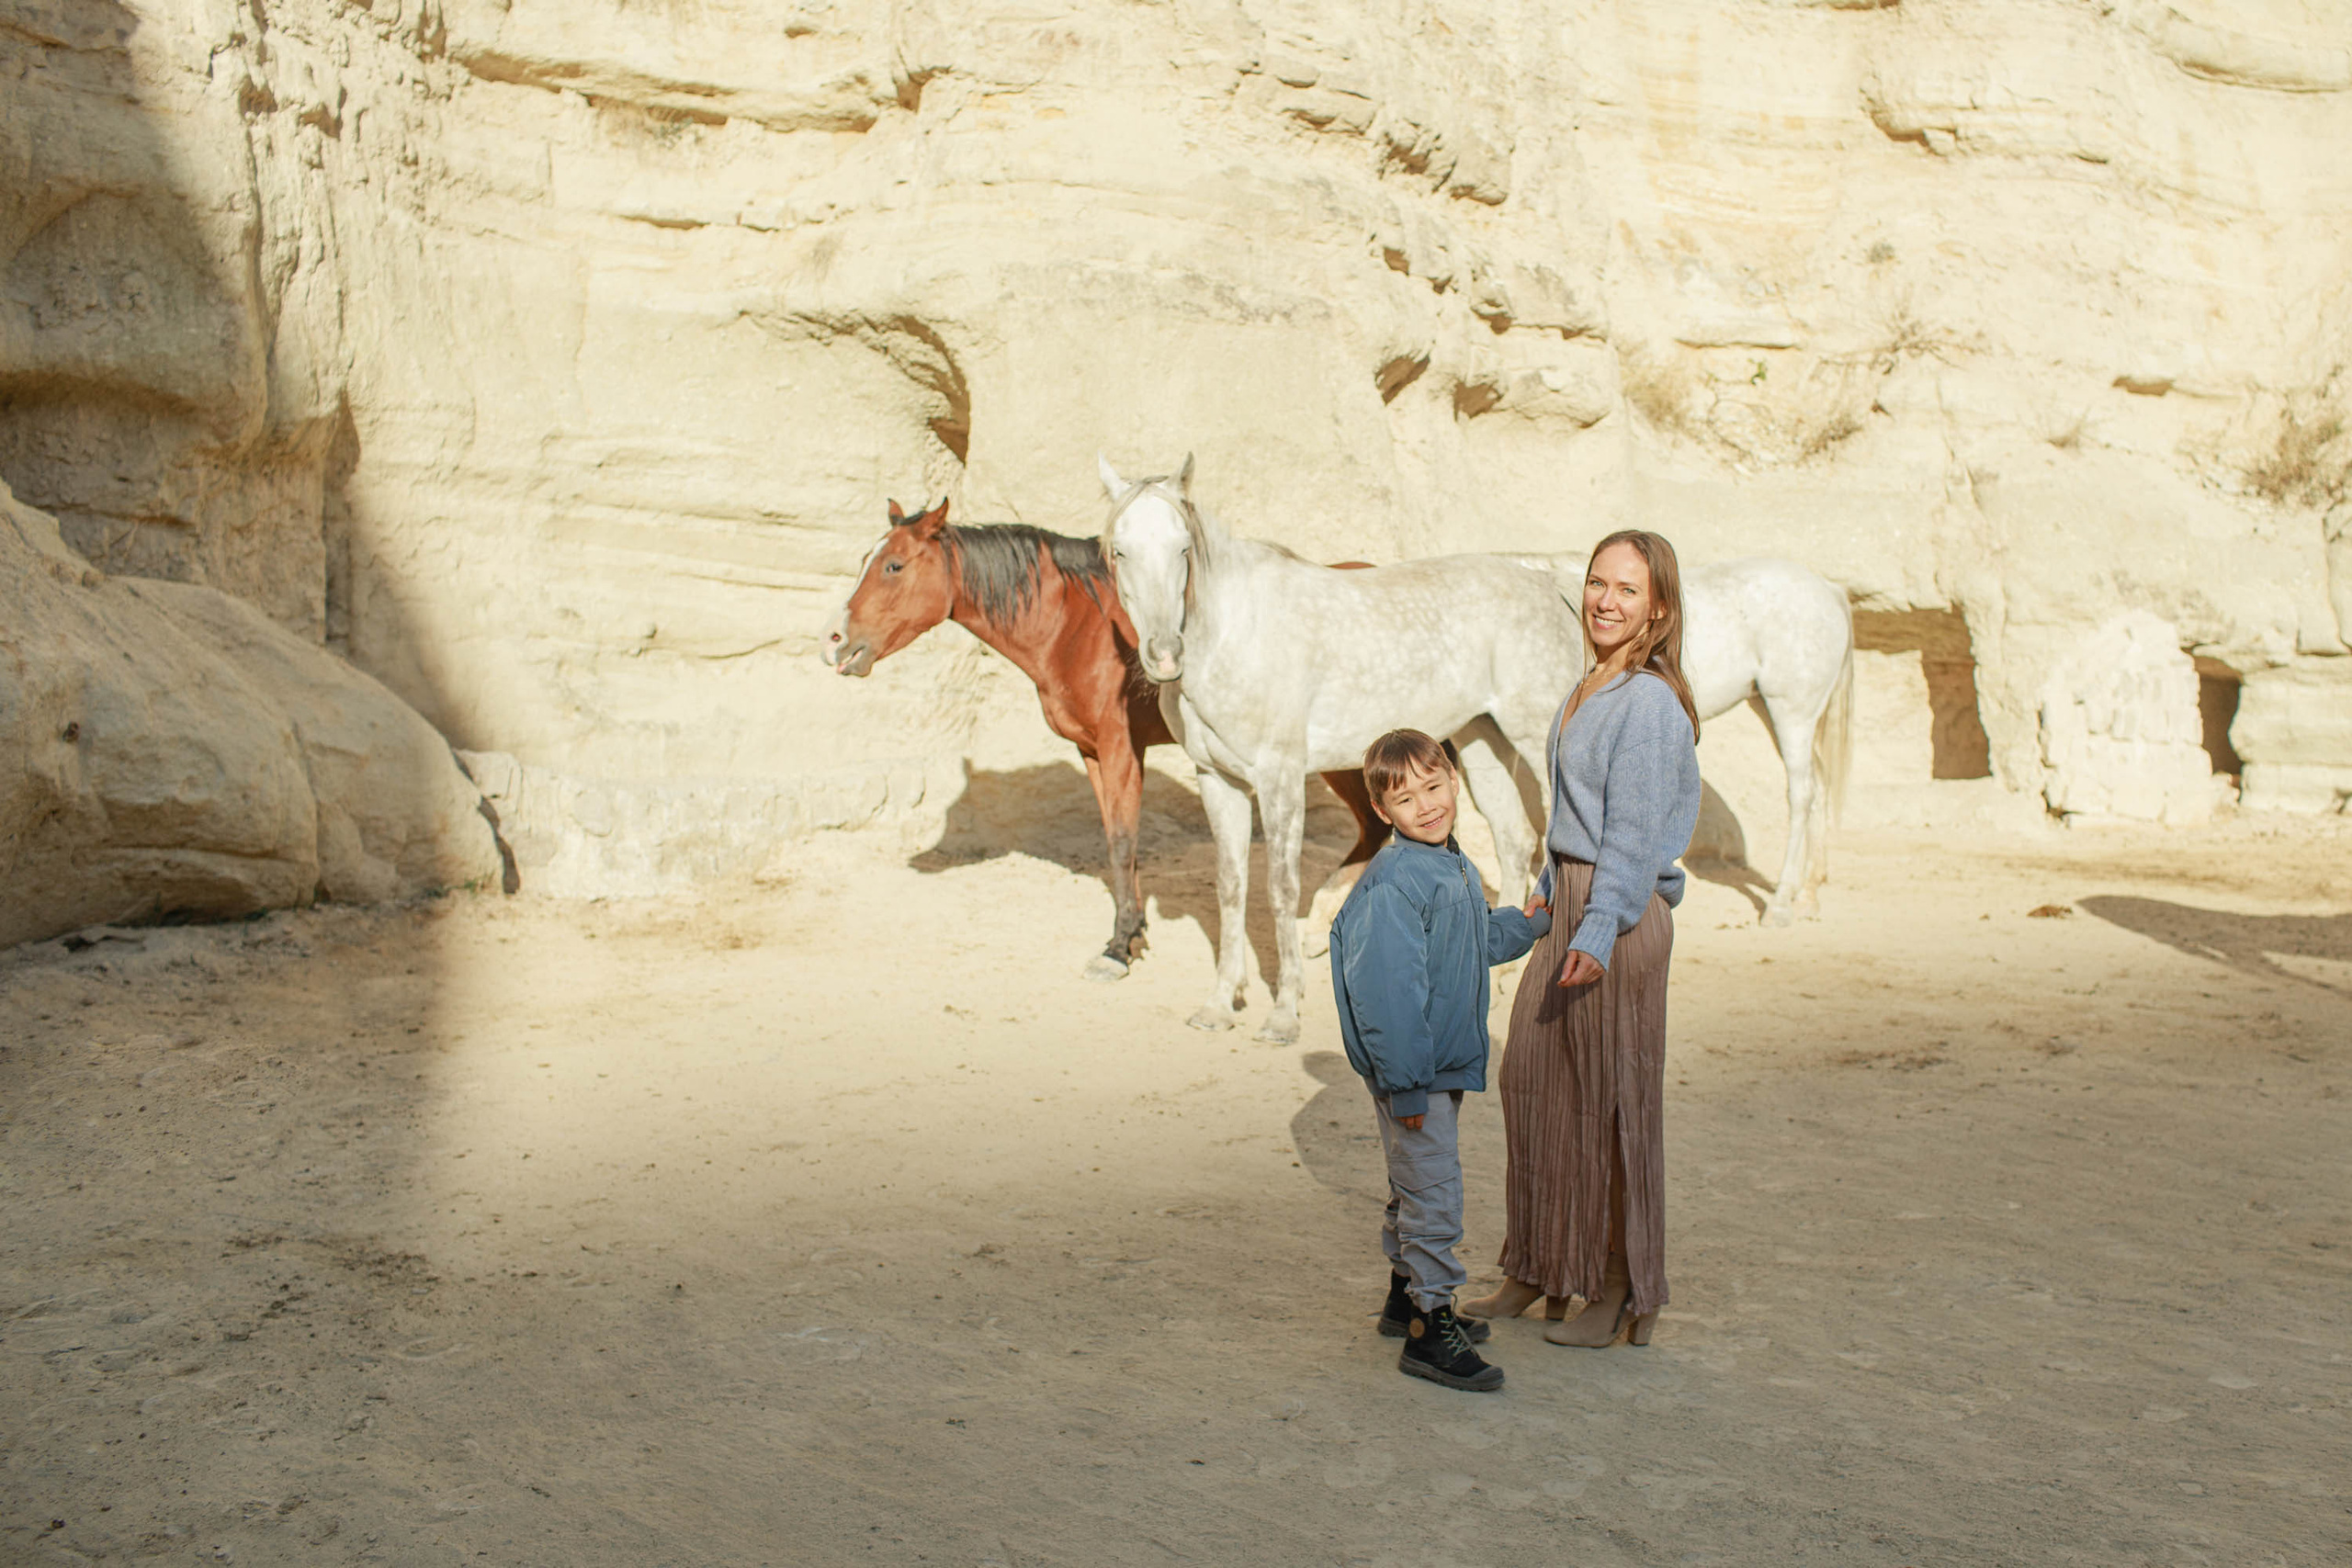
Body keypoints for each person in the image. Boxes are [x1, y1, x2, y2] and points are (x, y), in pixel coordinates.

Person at [1464, 530, 1702, 1349]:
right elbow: (1578, 812)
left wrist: (1597, 924)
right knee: (1531, 1079)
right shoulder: (1589, 684)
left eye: (1628, 589)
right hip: (1572, 899)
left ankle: (1619, 1286)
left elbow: (1632, 835)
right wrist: (1546, 885)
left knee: (1611, 1107)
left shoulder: (1649, 702)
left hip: (1618, 915)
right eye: (1598, 582)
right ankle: (1538, 1266)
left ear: (1658, 608)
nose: (1606, 600)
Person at [1329, 729, 1550, 1392]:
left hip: (1433, 1065)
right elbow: (1388, 998)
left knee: (1414, 1183)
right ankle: (1430, 1327)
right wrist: (1406, 1087)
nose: (1426, 805)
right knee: (1434, 1192)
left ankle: (1404, 1297)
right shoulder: (1395, 883)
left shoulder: (1447, 862)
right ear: (1381, 810)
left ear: (1455, 780)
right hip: (1414, 1073)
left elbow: (1471, 940)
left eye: (1433, 786)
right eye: (1406, 798)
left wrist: (1529, 924)